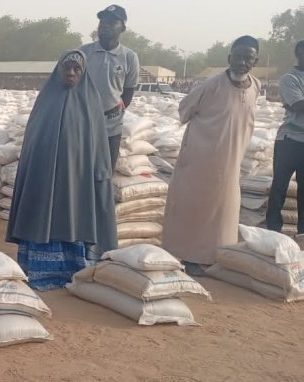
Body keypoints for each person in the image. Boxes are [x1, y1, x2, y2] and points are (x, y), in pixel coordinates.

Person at [5, 51, 116, 290]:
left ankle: (71, 270)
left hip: (77, 176)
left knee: (73, 216)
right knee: (42, 215)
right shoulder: (47, 99)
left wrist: (99, 173)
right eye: (67, 68)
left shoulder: (90, 101)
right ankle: (39, 271)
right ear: (59, 70)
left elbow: (97, 143)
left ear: (83, 72)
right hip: (44, 174)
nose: (72, 73)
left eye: (77, 69)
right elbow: (34, 138)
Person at [162, 36, 261, 275]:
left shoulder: (256, 86)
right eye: (238, 57)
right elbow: (184, 109)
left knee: (224, 211)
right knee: (194, 207)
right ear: (229, 58)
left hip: (231, 160)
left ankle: (216, 255)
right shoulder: (212, 85)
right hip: (200, 158)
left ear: (255, 60)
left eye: (248, 58)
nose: (242, 62)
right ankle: (187, 255)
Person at [80, 4, 140, 171]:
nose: (105, 25)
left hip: (111, 129)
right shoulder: (84, 53)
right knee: (79, 173)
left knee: (105, 175)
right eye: (102, 21)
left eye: (112, 22)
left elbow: (128, 91)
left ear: (123, 28)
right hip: (83, 126)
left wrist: (115, 111)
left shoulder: (129, 57)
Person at [266, 40, 304, 234]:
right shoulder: (290, 78)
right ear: (298, 53)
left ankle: (302, 234)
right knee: (280, 186)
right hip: (289, 141)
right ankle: (273, 229)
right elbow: (298, 105)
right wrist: (296, 104)